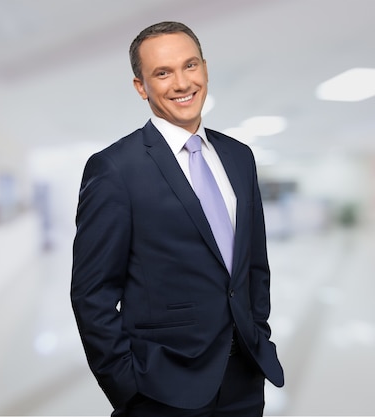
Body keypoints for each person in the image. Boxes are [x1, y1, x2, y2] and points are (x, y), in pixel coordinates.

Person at [71, 21, 284, 417]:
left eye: (190, 66)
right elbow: (91, 295)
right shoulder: (115, 169)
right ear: (141, 86)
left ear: (205, 67)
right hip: (161, 390)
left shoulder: (239, 157)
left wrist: (259, 335)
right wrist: (128, 389)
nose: (182, 83)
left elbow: (254, 266)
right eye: (163, 73)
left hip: (244, 379)